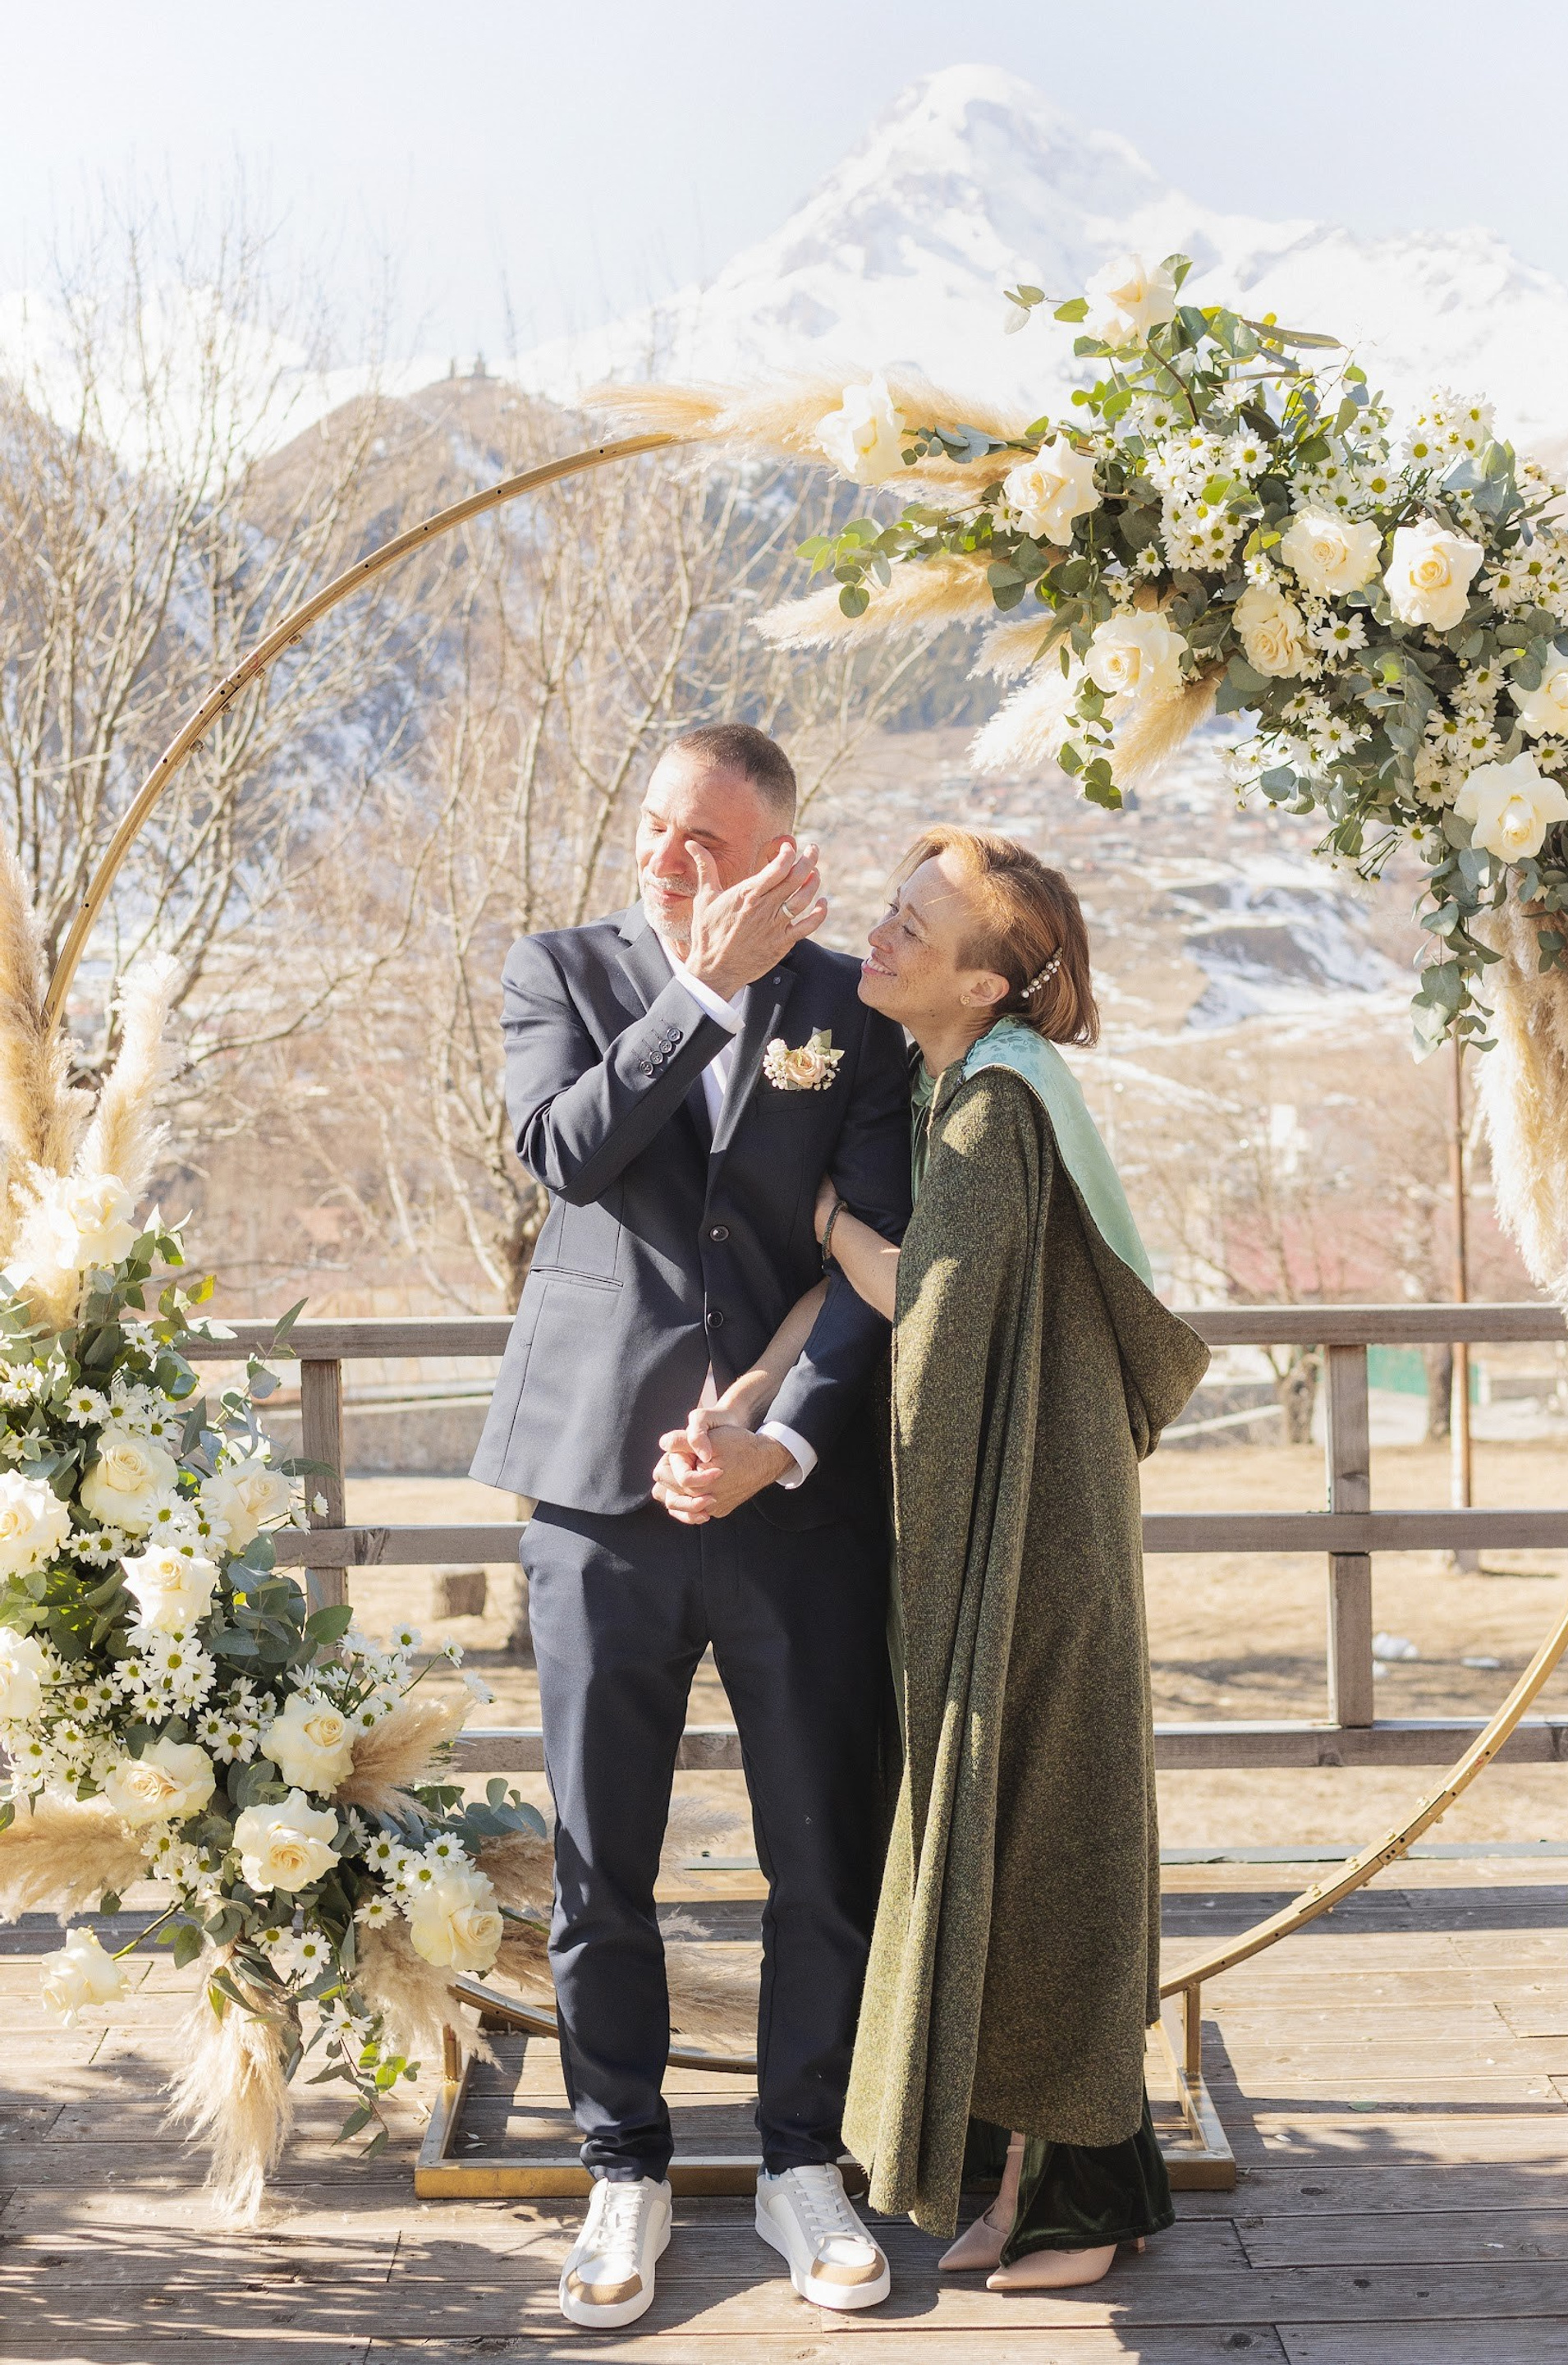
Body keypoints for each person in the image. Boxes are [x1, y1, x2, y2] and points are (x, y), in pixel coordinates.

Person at [659, 826, 1208, 2290]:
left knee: (1033, 1846)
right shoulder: (979, 1089)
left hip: (1033, 1544)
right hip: (1039, 1521)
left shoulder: (988, 1115)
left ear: (985, 983)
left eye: (914, 932)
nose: (879, 946)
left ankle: (1072, 2213)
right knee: (1038, 1834)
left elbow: (940, 1327)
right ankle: (1081, 2183)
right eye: (889, 917)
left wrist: (837, 1227)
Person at [471, 723, 910, 2331]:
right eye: (656, 826)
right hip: (597, 1490)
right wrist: (702, 990)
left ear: (785, 858)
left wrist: (779, 1445)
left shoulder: (861, 1010)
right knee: (604, 1861)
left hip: (792, 1506)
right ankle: (625, 2164)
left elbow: (878, 1256)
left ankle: (807, 2159)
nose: (668, 860)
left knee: (823, 1844)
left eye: (708, 843)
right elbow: (565, 1154)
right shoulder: (564, 971)